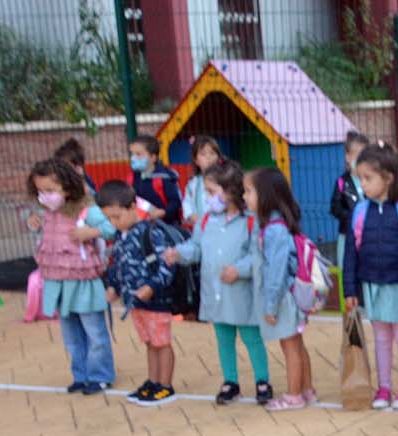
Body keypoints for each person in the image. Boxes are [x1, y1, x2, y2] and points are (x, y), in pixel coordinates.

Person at [165, 160, 271, 406]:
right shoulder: (205, 221)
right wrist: (179, 253)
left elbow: (258, 255)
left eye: (212, 192)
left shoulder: (250, 221)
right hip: (215, 291)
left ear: (231, 191)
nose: (208, 197)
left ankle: (262, 380)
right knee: (223, 338)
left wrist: (240, 270)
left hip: (241, 292)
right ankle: (230, 381)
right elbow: (197, 248)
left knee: (251, 337)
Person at [26, 157, 115, 395]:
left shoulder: (87, 209)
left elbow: (110, 228)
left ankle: (101, 375)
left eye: (50, 190)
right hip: (58, 281)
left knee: (95, 332)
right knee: (71, 335)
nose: (45, 195)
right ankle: (81, 375)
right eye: (40, 191)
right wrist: (34, 226)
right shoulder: (47, 213)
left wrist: (91, 231)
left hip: (84, 281)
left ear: (67, 187)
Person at [343, 143, 398, 412]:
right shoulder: (360, 211)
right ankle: (384, 387)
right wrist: (349, 289)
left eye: (368, 178)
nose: (362, 184)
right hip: (372, 284)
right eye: (360, 178)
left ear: (388, 177)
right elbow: (350, 252)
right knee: (381, 339)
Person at [98, 180, 184, 406]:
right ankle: (153, 381)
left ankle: (166, 385)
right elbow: (117, 265)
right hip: (135, 302)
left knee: (161, 343)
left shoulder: (150, 233)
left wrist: (152, 287)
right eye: (108, 219)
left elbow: (168, 266)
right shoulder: (120, 236)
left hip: (157, 300)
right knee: (149, 342)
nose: (114, 223)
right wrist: (113, 286)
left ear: (132, 208)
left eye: (117, 217)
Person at [245, 167, 314, 411]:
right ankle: (306, 389)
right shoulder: (276, 224)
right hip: (289, 294)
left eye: (249, 191)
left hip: (283, 297)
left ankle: (294, 395)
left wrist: (270, 305)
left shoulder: (274, 229)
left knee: (290, 346)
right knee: (296, 343)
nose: (245, 197)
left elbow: (276, 271)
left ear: (265, 195)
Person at [330, 131, 370, 272]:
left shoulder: (373, 181)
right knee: (347, 268)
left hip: (368, 234)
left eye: (364, 154)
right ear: (348, 157)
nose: (361, 158)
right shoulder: (342, 182)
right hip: (347, 234)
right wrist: (351, 218)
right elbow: (335, 207)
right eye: (357, 154)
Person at [128, 135, 183, 225]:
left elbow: (175, 202)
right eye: (132, 154)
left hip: (167, 225)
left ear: (153, 157)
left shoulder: (164, 177)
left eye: (138, 154)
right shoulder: (132, 177)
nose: (133, 158)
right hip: (141, 224)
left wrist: (163, 212)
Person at [179, 135, 225, 230]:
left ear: (218, 157)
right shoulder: (193, 184)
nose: (208, 157)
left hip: (221, 227)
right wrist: (190, 215)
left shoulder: (224, 180)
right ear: (196, 160)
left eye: (212, 153)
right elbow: (187, 203)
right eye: (203, 154)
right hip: (200, 227)